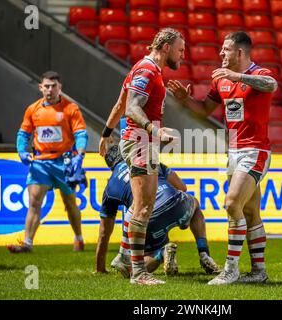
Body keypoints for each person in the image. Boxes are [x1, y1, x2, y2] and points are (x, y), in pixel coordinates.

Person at [168, 31, 278, 285]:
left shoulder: (259, 75)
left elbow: (271, 85)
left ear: (239, 52)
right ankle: (259, 272)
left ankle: (231, 269)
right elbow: (205, 109)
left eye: (226, 49)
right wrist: (186, 102)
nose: (220, 54)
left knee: (231, 204)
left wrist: (237, 76)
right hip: (233, 152)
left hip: (256, 150)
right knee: (250, 211)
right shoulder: (221, 81)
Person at [98, 28, 185, 285]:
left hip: (140, 141)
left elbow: (120, 105)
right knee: (143, 207)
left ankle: (129, 262)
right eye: (180, 49)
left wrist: (106, 132)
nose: (183, 55)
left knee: (140, 207)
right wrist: (153, 130)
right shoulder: (147, 70)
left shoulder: (145, 69)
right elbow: (133, 108)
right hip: (140, 142)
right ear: (166, 47)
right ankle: (138, 272)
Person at [95, 145, 220, 277]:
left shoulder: (110, 188)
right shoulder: (148, 161)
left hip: (148, 219)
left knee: (141, 261)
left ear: (110, 166)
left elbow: (104, 233)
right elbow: (182, 187)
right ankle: (204, 253)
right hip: (177, 206)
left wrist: (100, 268)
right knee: (194, 204)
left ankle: (161, 254)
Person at [7, 71, 88, 253]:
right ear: (40, 87)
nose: (49, 90)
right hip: (40, 162)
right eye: (46, 86)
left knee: (70, 203)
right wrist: (21, 150)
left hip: (64, 162)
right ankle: (27, 243)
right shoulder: (33, 109)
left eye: (53, 86)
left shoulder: (71, 109)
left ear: (60, 88)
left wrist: (80, 154)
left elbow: (81, 134)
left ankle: (78, 237)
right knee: (34, 202)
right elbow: (23, 133)